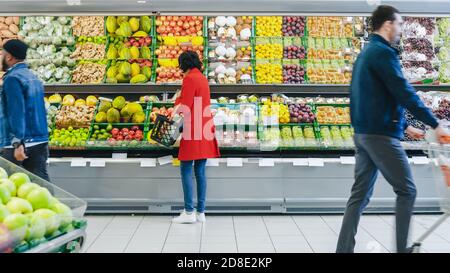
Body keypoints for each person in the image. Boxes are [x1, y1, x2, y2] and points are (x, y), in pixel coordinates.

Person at [336, 5, 449, 253]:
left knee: (359, 196)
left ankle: (343, 250)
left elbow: (369, 95)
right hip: (380, 137)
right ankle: (402, 250)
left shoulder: (366, 53)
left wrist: (405, 124)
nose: (400, 30)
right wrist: (434, 123)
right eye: (398, 24)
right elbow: (403, 91)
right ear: (388, 24)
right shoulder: (383, 54)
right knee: (407, 191)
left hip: (364, 134)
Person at [171, 51, 220, 224]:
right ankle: (200, 212)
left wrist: (176, 102)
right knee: (200, 171)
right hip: (205, 126)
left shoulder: (189, 79)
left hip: (194, 129)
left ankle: (188, 212)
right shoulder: (202, 78)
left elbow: (186, 107)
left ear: (184, 64)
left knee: (185, 168)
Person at [0, 39, 50, 181]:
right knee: (41, 184)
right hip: (39, 141)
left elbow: (16, 112)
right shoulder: (33, 77)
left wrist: (17, 142)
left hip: (19, 143)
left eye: (2, 54)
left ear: (9, 57)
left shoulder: (12, 79)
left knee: (9, 186)